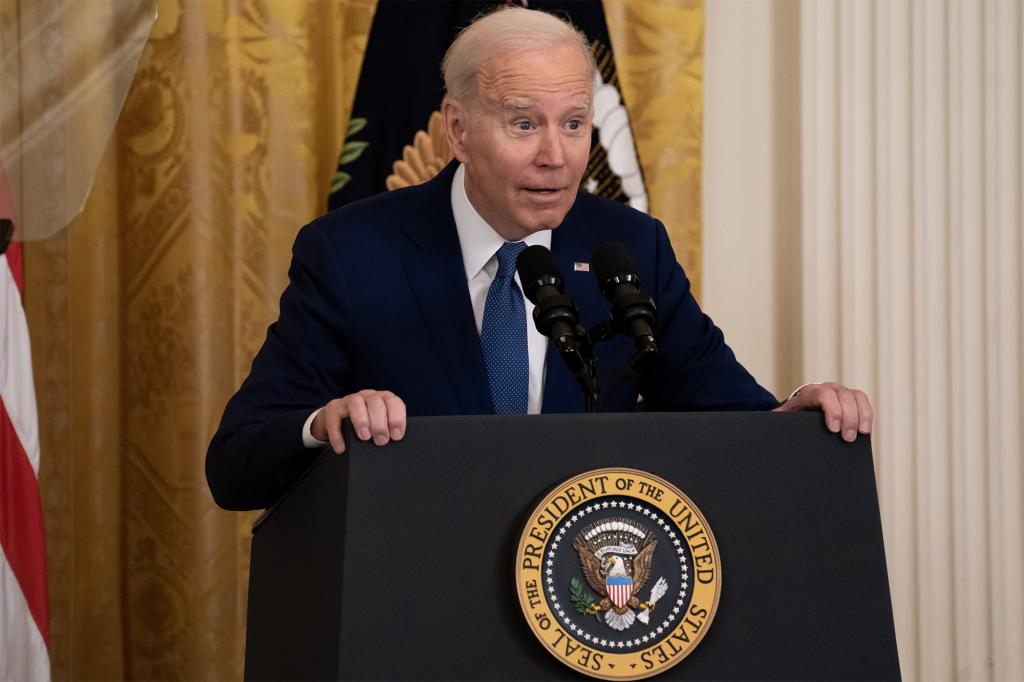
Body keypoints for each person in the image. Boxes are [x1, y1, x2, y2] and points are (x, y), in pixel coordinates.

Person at [205, 7, 872, 511]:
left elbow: (732, 423)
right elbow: (236, 464)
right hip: (416, 604)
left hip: (587, 605)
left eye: (575, 123)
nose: (557, 156)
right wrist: (325, 425)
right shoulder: (351, 255)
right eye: (525, 123)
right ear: (458, 130)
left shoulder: (629, 249)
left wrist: (797, 419)